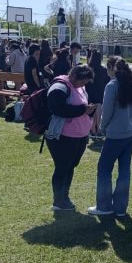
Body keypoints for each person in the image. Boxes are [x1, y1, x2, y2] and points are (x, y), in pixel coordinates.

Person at [88, 57, 132, 217]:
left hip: (116, 134)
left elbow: (107, 111)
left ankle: (103, 206)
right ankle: (120, 208)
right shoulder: (131, 82)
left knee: (104, 169)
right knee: (124, 170)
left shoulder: (112, 86)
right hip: (131, 132)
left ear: (111, 68)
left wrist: (101, 128)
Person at [45, 65, 97, 211]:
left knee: (70, 167)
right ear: (73, 76)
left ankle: (64, 197)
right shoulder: (59, 87)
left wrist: (89, 111)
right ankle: (59, 201)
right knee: (62, 168)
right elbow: (56, 108)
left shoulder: (80, 87)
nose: (83, 85)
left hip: (79, 135)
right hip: (63, 136)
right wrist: (82, 110)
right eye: (82, 82)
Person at [85, 51, 110, 139]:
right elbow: (107, 81)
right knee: (97, 110)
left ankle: (93, 130)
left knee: (93, 111)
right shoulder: (103, 70)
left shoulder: (88, 69)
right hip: (100, 93)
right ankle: (96, 130)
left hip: (89, 94)